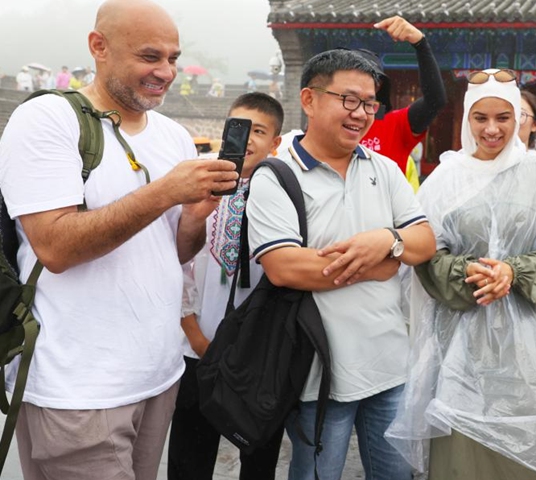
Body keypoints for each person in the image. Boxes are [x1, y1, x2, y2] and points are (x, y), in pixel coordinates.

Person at [0, 1, 239, 479]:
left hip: (157, 373)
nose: (166, 72)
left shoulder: (171, 136)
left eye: (173, 58)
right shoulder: (47, 119)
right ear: (99, 47)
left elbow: (169, 253)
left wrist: (195, 216)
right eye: (150, 56)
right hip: (78, 387)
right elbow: (56, 246)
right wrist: (166, 191)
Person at [385, 69, 536, 480]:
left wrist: (514, 272)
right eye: (481, 118)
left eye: (503, 117)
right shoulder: (445, 179)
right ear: (467, 117)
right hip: (458, 344)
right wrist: (467, 273)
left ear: (519, 118)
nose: (492, 129)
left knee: (526, 451)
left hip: (527, 349)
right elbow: (425, 253)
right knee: (460, 458)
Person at [246, 49, 436, 480]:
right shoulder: (276, 175)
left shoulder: (385, 169)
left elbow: (424, 243)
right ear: (309, 100)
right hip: (317, 374)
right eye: (348, 100)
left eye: (370, 103)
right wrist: (383, 261)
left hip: (389, 366)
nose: (362, 113)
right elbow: (284, 267)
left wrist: (387, 240)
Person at [168, 92, 284, 480]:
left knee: (259, 458)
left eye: (260, 131)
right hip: (196, 347)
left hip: (258, 356)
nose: (248, 139)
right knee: (190, 458)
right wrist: (193, 332)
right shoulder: (196, 185)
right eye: (239, 128)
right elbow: (178, 265)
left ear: (276, 143)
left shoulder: (284, 194)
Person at [355, 16, 447, 182]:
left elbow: (435, 100)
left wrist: (421, 44)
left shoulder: (395, 124)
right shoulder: (331, 125)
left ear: (379, 86)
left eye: (369, 77)